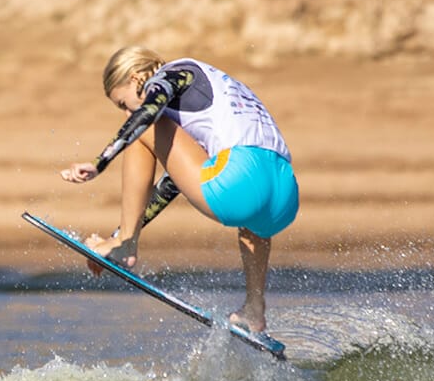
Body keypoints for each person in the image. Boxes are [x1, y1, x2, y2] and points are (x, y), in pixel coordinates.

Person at [60, 45, 300, 349]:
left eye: (123, 102)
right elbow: (175, 181)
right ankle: (254, 309)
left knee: (144, 127)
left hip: (239, 180)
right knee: (251, 225)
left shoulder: (172, 74)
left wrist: (99, 163)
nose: (125, 112)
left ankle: (125, 246)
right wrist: (119, 231)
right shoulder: (214, 87)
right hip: (284, 193)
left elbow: (145, 118)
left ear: (137, 78)